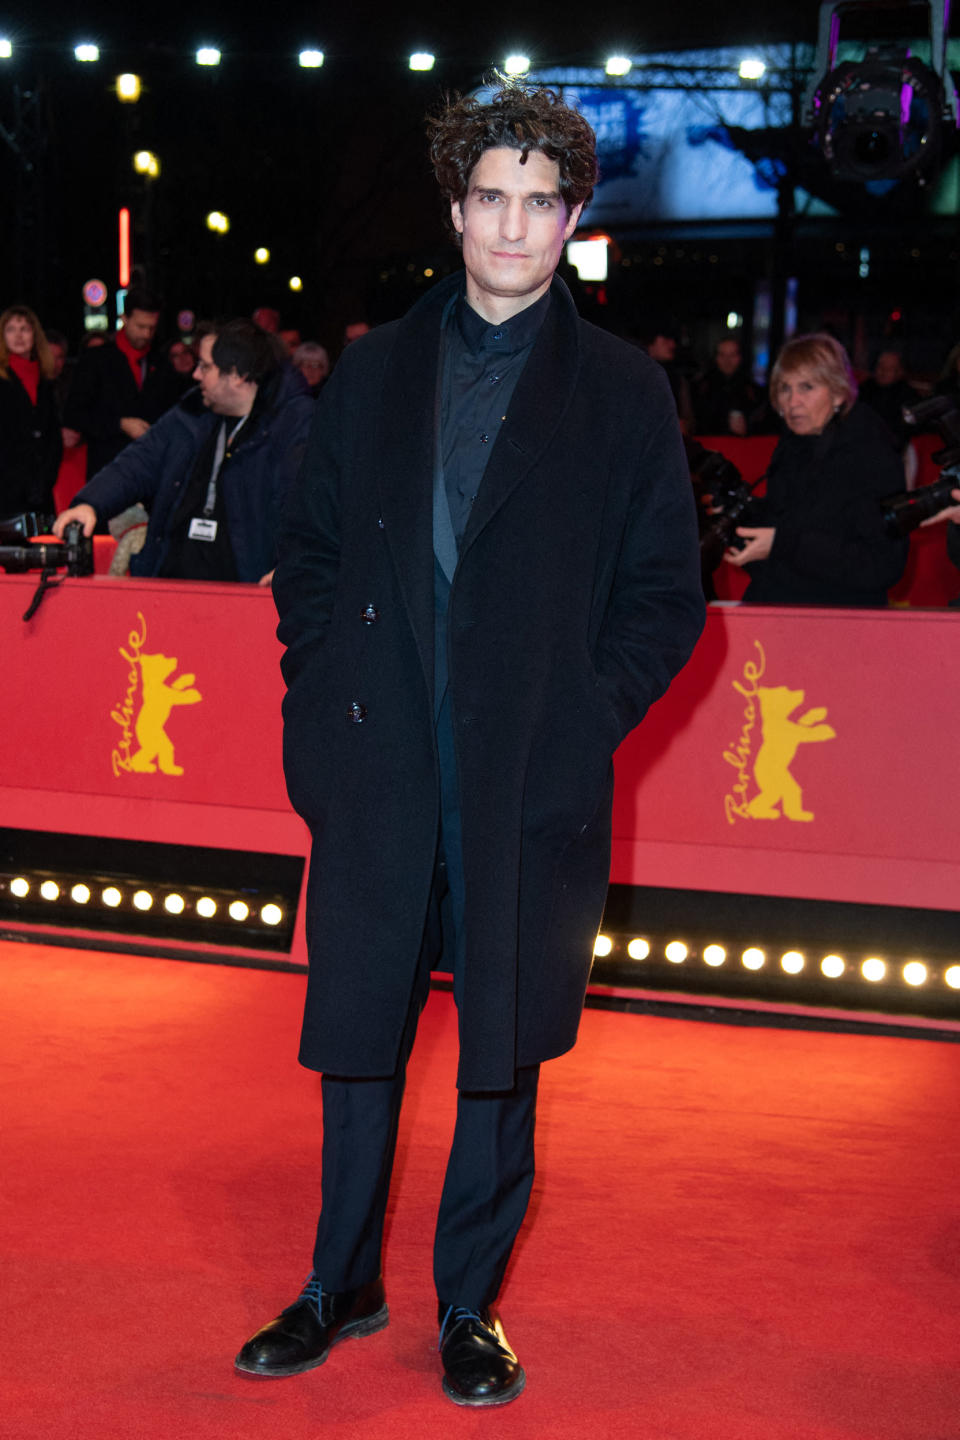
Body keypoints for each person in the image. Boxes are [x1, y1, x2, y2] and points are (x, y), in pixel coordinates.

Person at [235, 83, 705, 1407]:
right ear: (456, 210)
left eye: (539, 201)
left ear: (569, 222)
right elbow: (312, 554)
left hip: (523, 777)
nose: (513, 224)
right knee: (357, 1037)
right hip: (379, 757)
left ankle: (466, 1304)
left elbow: (670, 596)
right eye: (490, 197)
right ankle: (339, 1284)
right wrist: (318, 694)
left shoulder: (620, 393)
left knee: (501, 1052)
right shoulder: (376, 367)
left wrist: (585, 710)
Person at [52, 319, 313, 583]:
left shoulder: (292, 426)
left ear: (237, 375)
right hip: (170, 582)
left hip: (244, 590)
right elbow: (138, 462)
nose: (196, 374)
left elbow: (307, 507)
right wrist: (90, 504)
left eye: (206, 367)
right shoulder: (192, 413)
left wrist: (293, 567)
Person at [724, 332, 909, 605]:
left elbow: (881, 564)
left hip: (839, 620)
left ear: (838, 393)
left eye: (807, 387)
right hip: (780, 610)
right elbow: (784, 544)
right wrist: (738, 527)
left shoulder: (870, 454)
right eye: (785, 388)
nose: (792, 402)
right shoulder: (794, 445)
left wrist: (781, 544)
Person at [63, 286, 180, 479]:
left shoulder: (161, 363)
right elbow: (74, 414)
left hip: (151, 470)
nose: (146, 334)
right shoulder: (96, 360)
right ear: (124, 319)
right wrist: (119, 424)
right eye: (140, 326)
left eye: (152, 327)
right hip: (108, 470)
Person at [0, 304, 63, 520]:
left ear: (35, 335)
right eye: (11, 329)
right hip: (6, 489)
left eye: (25, 329)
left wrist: (46, 478)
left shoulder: (45, 380)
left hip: (41, 489)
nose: (18, 336)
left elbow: (53, 437)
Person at [694, 336, 760, 436]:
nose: (727, 360)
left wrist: (748, 428)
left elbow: (763, 423)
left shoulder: (752, 390)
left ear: (740, 357)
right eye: (722, 355)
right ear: (715, 357)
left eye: (732, 355)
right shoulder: (701, 387)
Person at [857, 348, 922, 450]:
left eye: (889, 369)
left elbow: (909, 430)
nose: (882, 371)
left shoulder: (909, 396)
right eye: (880, 366)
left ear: (900, 372)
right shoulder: (864, 389)